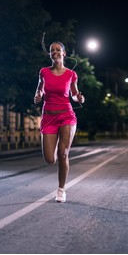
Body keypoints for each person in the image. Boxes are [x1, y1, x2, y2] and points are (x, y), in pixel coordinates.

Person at [34, 41, 85, 203]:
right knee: (50, 159)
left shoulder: (71, 74)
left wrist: (79, 98)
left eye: (58, 50)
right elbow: (39, 89)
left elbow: (74, 94)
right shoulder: (43, 72)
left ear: (64, 53)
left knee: (63, 154)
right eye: (52, 50)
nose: (55, 52)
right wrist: (38, 96)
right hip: (49, 117)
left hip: (66, 116)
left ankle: (61, 190)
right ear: (50, 54)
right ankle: (56, 147)